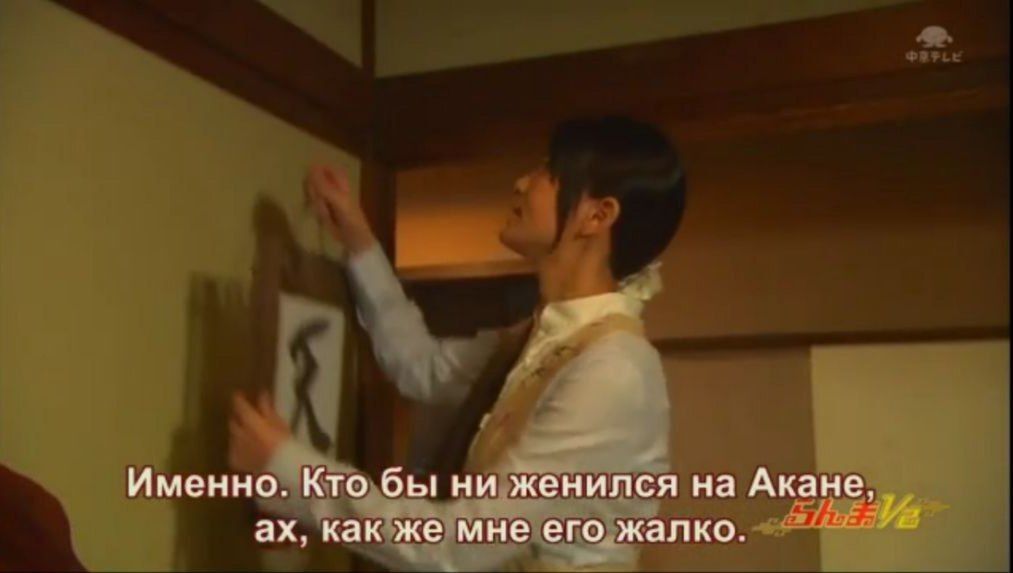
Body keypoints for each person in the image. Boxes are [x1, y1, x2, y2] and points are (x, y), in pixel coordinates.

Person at [228, 116, 687, 571]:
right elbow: (422, 365)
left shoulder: (612, 369)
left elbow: (459, 544)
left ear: (597, 215)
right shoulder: (536, 338)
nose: (522, 183)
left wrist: (287, 469)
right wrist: (358, 240)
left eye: (548, 172)